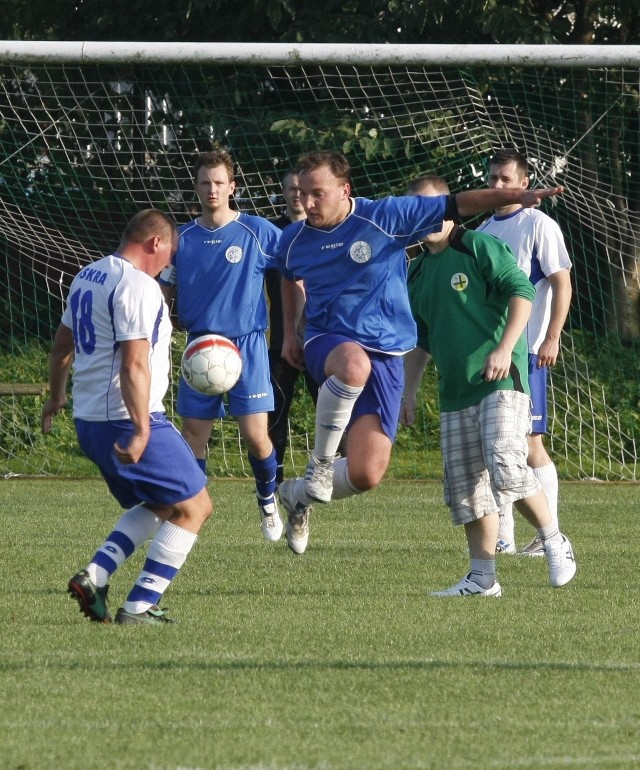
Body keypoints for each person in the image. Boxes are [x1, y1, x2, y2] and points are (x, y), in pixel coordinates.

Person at [275, 149, 566, 556]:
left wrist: (517, 195)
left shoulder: (385, 217)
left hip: (388, 355)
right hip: (330, 342)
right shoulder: (295, 238)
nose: (305, 204)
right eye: (301, 194)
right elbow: (288, 275)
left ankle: (298, 495)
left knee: (366, 473)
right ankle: (320, 466)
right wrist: (291, 330)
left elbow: (459, 202)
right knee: (352, 364)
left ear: (344, 190)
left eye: (316, 194)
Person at [400, 175, 576, 596]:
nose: (422, 216)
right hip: (455, 391)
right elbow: (420, 338)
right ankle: (482, 578)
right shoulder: (417, 271)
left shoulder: (478, 245)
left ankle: (555, 540)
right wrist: (408, 392)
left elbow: (522, 292)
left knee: (507, 464)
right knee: (465, 490)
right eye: (414, 209)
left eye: (430, 206)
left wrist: (504, 348)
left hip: (501, 381)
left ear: (446, 206)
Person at [41, 209, 213, 625]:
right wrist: (140, 429)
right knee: (196, 507)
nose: (168, 264)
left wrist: (56, 394)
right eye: (169, 254)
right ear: (155, 243)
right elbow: (134, 364)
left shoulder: (89, 274)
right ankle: (139, 607)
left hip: (90, 420)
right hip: (127, 418)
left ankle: (95, 575)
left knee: (158, 502)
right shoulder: (137, 284)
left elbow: (62, 342)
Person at [159, 150, 284, 542]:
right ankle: (190, 508)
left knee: (255, 435)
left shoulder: (258, 231)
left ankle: (267, 500)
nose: (211, 189)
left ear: (232, 187)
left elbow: (297, 271)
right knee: (193, 433)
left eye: (218, 182)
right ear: (195, 188)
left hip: (247, 345)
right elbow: (162, 288)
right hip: (199, 347)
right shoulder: (182, 239)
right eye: (204, 182)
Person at [477, 148, 572, 557]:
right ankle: (505, 534)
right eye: (493, 179)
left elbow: (561, 282)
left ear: (524, 184)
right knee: (495, 443)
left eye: (506, 179)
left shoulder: (539, 225)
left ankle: (548, 532)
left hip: (528, 350)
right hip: (493, 352)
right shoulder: (482, 230)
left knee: (528, 441)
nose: (498, 186)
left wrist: (552, 336)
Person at [265, 169, 319, 486]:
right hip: (277, 339)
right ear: (284, 193)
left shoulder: (327, 232)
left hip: (320, 337)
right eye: (291, 189)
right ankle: (275, 476)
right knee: (275, 413)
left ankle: (332, 474)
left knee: (328, 406)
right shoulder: (273, 234)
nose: (297, 194)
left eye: (302, 188)